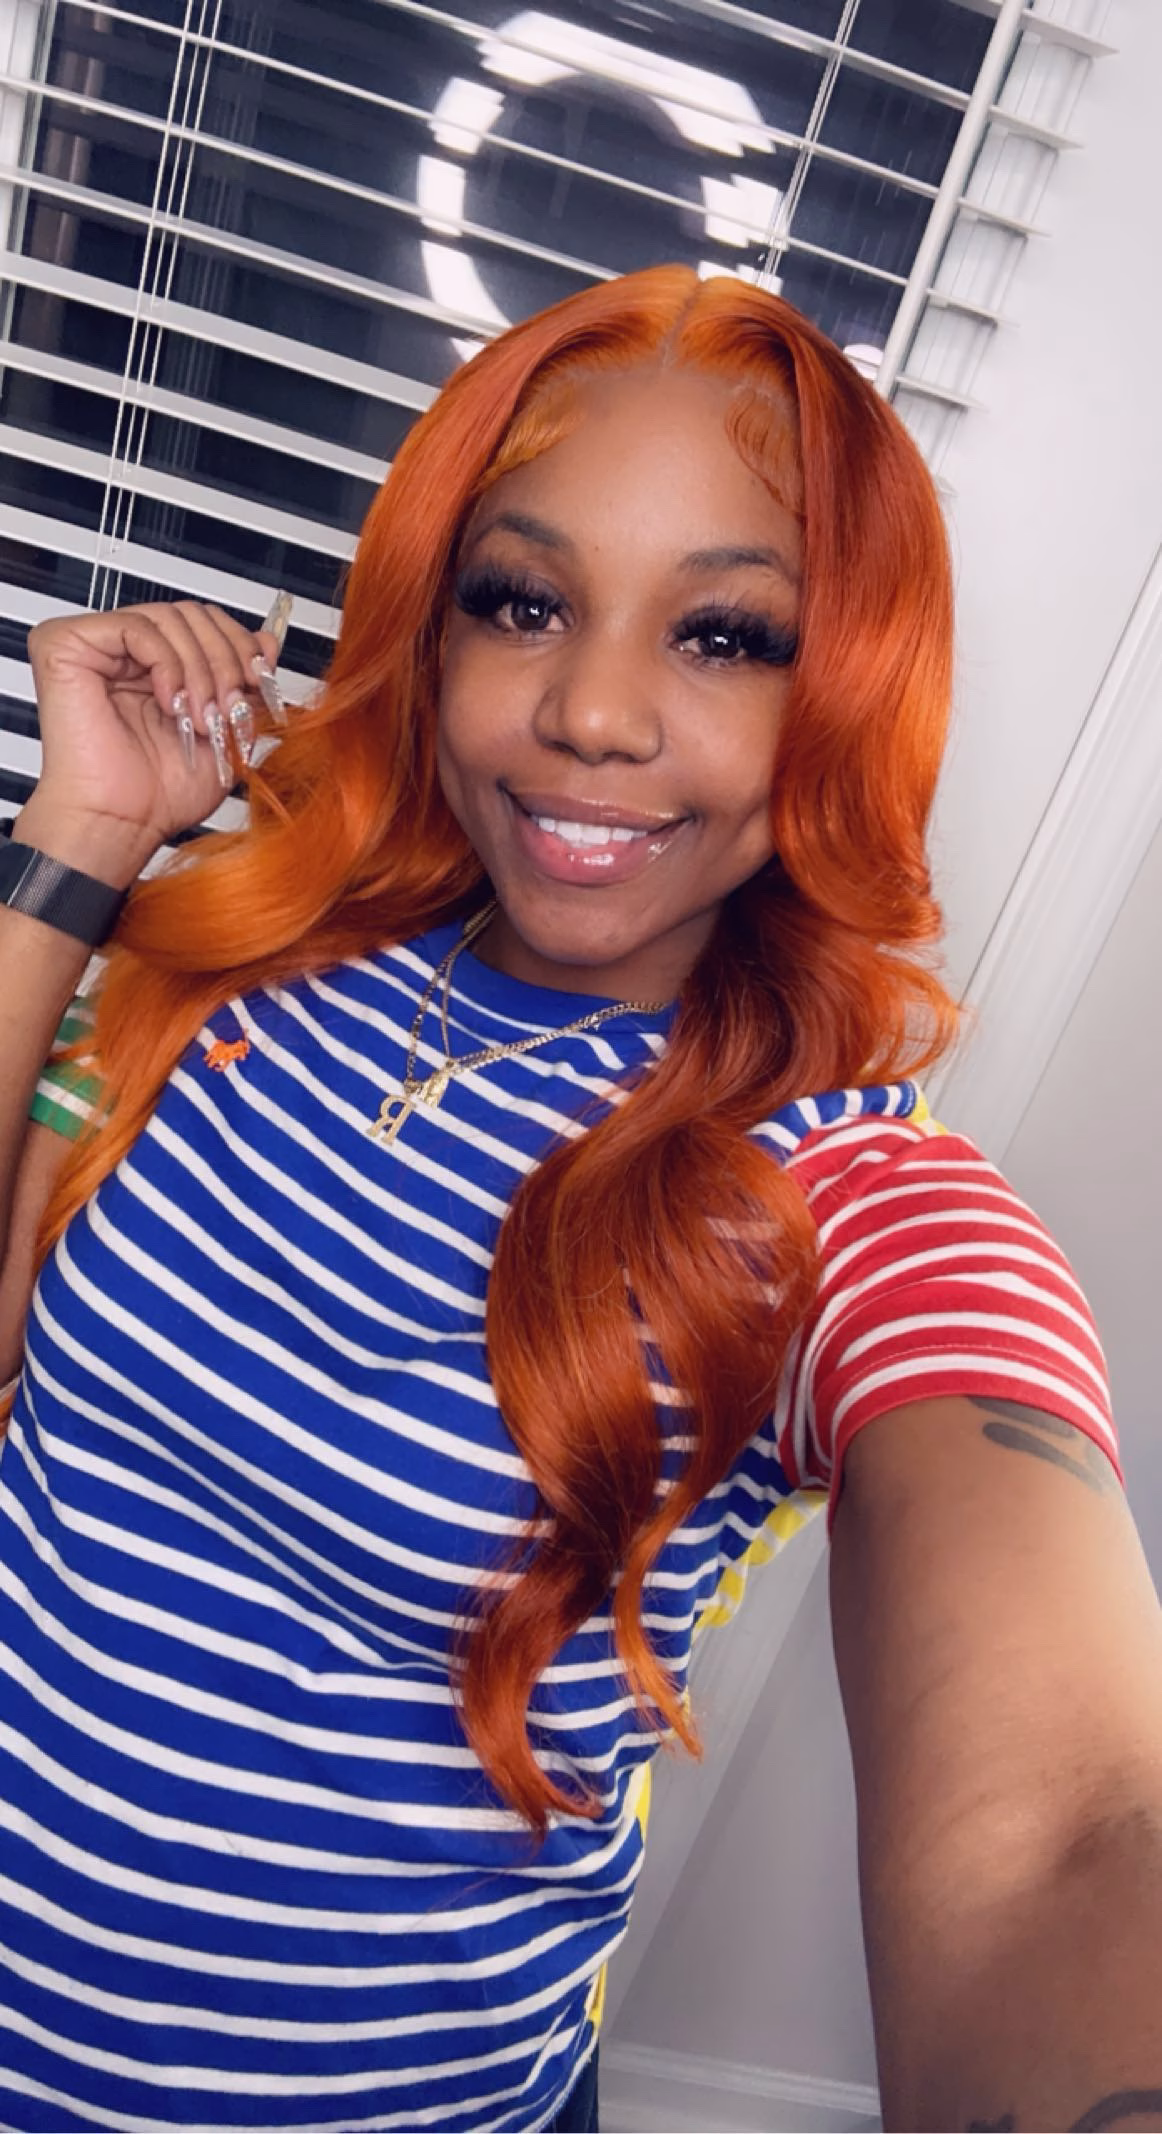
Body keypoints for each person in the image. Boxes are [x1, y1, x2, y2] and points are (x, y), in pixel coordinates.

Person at [0, 264, 1159, 2134]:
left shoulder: (842, 1196)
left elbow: (1066, 1837)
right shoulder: (259, 953)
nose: (593, 711)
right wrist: (84, 838)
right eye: (523, 602)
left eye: (726, 634)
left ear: (845, 691)